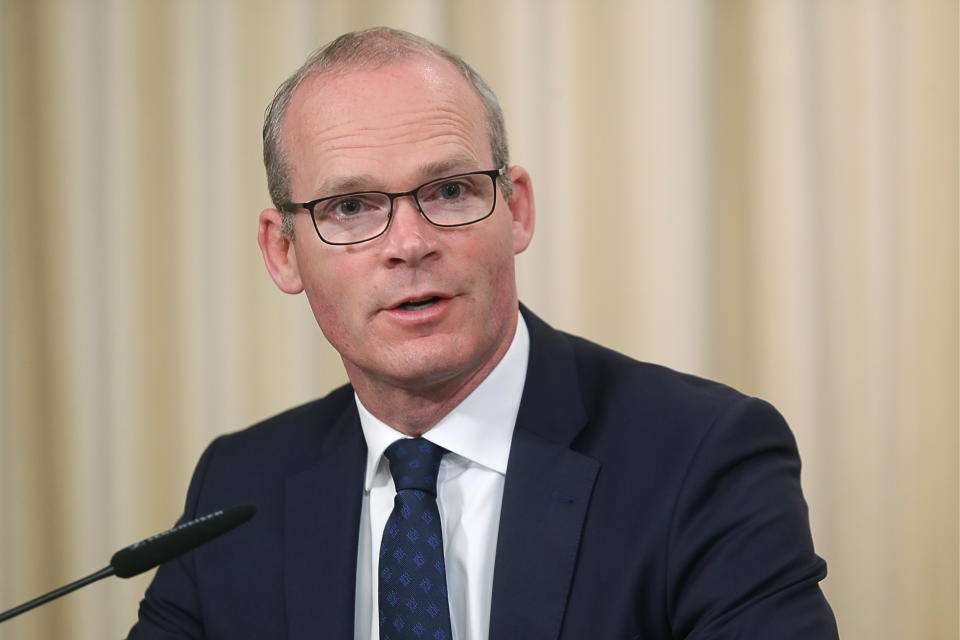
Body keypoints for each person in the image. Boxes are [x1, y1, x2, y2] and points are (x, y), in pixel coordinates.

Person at [128, 27, 838, 640]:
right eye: (350, 205)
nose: (409, 244)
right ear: (283, 251)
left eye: (449, 191)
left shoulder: (702, 456)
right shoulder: (239, 485)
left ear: (516, 209)